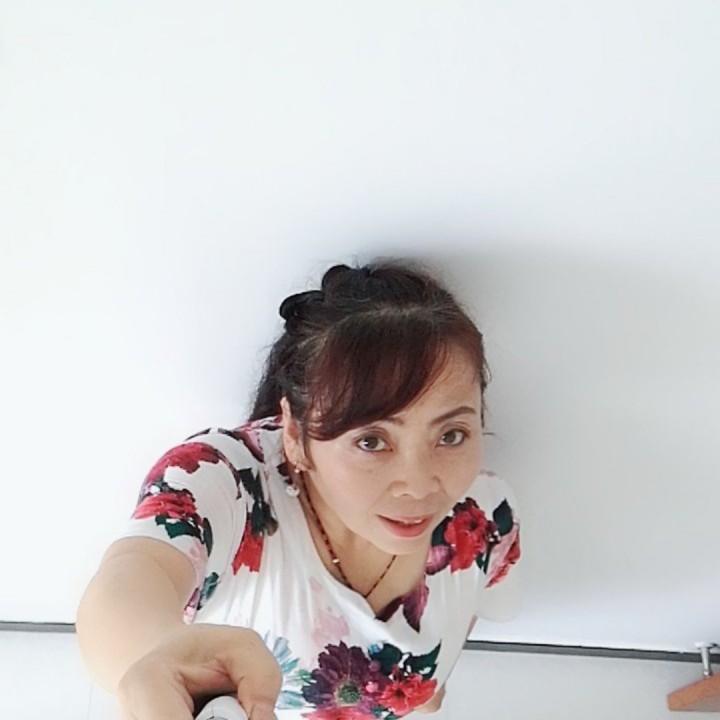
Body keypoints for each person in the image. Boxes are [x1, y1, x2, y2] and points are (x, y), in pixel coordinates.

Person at [76, 260, 522, 720]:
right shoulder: (226, 483)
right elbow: (134, 576)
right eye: (371, 441)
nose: (419, 485)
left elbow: (466, 615)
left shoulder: (485, 519)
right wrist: (156, 660)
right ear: (294, 432)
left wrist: (425, 686)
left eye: (451, 435)